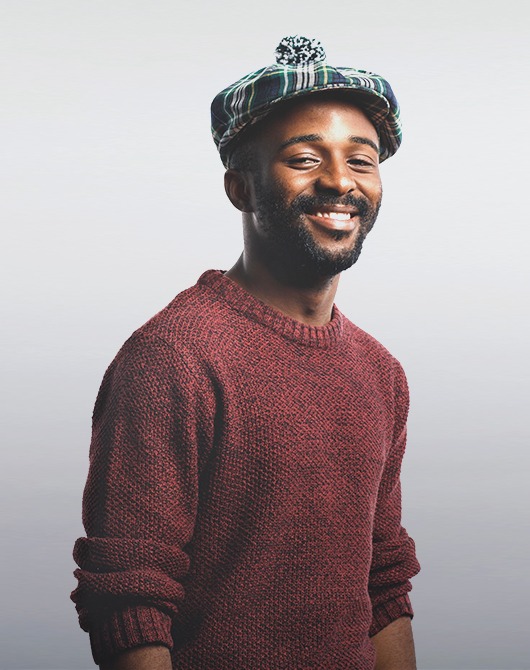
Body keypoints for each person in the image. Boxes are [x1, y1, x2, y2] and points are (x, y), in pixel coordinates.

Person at [72, 35, 420, 670]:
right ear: (240, 188)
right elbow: (129, 600)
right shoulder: (172, 359)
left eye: (361, 160)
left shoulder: (381, 373)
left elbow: (384, 583)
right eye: (305, 159)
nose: (340, 181)